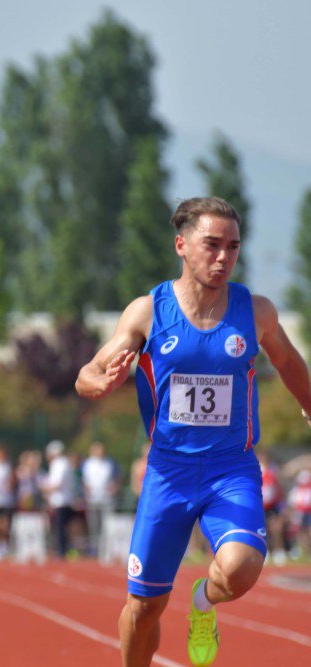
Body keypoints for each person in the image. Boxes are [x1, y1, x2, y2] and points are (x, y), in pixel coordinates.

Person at [75, 197, 311, 667]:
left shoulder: (255, 312)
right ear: (181, 245)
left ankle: (204, 601)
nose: (223, 257)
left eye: (233, 247)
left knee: (242, 566)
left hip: (231, 469)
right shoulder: (148, 312)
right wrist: (97, 382)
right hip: (168, 472)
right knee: (144, 608)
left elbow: (287, 361)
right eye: (212, 245)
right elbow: (88, 372)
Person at [81, 441, 119, 556]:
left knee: (107, 525)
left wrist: (113, 488)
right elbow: (82, 479)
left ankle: (106, 549)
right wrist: (85, 489)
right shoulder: (87, 463)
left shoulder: (110, 463)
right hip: (92, 499)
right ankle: (94, 549)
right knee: (93, 525)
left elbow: (117, 478)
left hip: (107, 499)